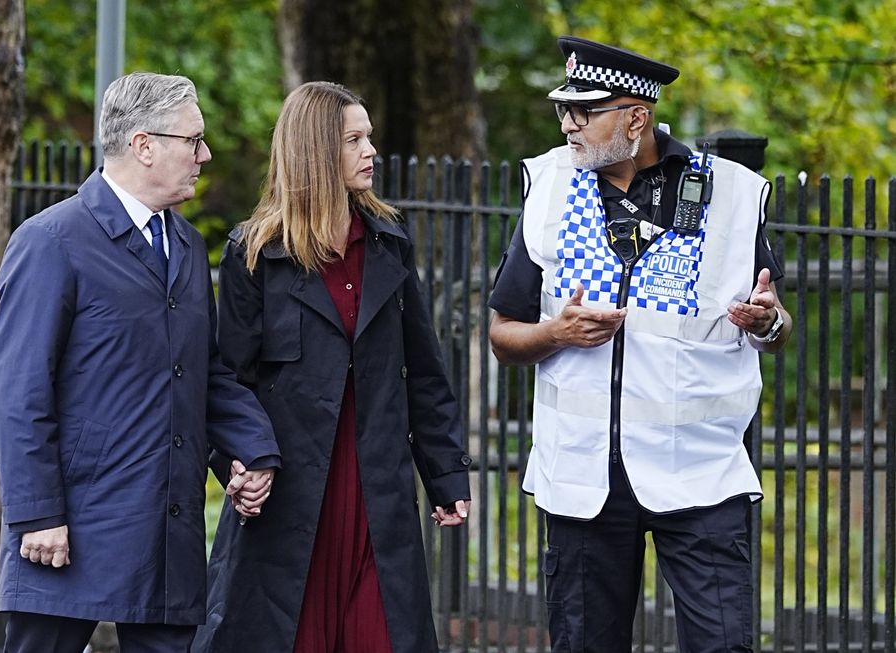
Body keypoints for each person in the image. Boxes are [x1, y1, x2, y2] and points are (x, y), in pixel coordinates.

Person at [488, 37, 792, 653]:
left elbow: (779, 325)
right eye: (563, 110)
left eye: (586, 109)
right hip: (581, 477)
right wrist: (555, 333)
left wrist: (765, 322)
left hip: (699, 475)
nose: (569, 123)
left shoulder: (731, 193)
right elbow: (502, 332)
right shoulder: (548, 188)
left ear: (636, 116)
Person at [0, 72, 281, 653]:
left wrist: (253, 450)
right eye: (192, 140)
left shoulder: (191, 248)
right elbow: (20, 390)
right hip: (69, 527)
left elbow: (205, 371)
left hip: (166, 528)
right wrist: (36, 515)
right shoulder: (50, 240)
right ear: (144, 145)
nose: (206, 154)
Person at [191, 81, 472, 653]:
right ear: (316, 151)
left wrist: (445, 473)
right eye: (354, 140)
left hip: (379, 494)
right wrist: (239, 468)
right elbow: (228, 381)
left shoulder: (390, 244)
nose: (371, 151)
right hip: (287, 501)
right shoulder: (254, 254)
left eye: (369, 137)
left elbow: (424, 368)